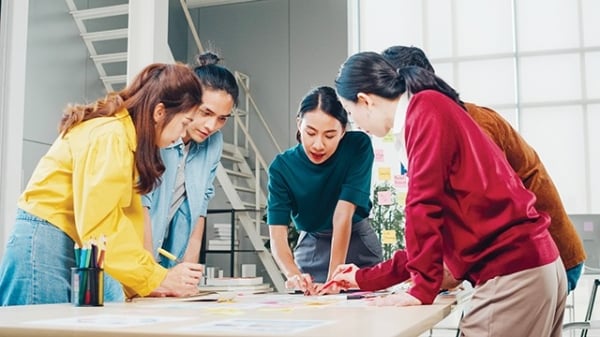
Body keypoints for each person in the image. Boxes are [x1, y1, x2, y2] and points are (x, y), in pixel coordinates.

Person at [333, 52, 566, 336]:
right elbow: (434, 233)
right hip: (533, 268)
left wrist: (421, 288)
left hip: (512, 273)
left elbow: (422, 205)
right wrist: (363, 277)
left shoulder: (424, 110)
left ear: (365, 100)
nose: (357, 124)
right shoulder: (431, 108)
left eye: (349, 111)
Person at [381, 45, 586, 292]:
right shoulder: (431, 124)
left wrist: (435, 274)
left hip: (540, 257)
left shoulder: (467, 121)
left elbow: (481, 204)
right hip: (525, 260)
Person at [0, 62, 205, 306]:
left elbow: (120, 223)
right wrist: (156, 277)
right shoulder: (110, 135)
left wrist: (151, 277)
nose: (182, 134)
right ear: (160, 112)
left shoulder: (123, 137)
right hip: (46, 241)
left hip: (68, 241)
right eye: (184, 122)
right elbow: (101, 227)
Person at [267, 86, 382, 294]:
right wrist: (294, 275)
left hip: (357, 242)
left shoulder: (358, 146)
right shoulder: (281, 167)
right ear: (299, 124)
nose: (318, 145)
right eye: (310, 133)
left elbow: (343, 215)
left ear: (343, 131)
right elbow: (277, 236)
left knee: (366, 317)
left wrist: (333, 280)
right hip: (312, 245)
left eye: (330, 135)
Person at [142, 52, 238, 268]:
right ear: (189, 101)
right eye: (206, 112)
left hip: (165, 255)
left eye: (222, 118)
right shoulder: (159, 134)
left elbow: (199, 208)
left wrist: (189, 271)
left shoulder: (213, 144)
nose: (211, 126)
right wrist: (149, 275)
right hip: (133, 254)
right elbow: (142, 204)